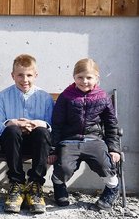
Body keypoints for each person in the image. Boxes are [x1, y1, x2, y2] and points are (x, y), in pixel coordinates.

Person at [50, 58, 121, 211]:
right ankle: (59, 185)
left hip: (94, 140)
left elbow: (111, 124)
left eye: (89, 77)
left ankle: (112, 188)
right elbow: (57, 124)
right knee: (64, 167)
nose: (84, 81)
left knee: (104, 164)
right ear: (74, 77)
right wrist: (53, 149)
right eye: (80, 77)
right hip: (69, 140)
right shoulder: (66, 96)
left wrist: (113, 148)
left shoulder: (102, 97)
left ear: (97, 78)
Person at [0, 54, 54, 214]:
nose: (25, 79)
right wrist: (13, 122)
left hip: (37, 143)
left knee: (42, 131)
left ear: (36, 75)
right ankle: (17, 185)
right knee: (12, 129)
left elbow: (51, 126)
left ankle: (35, 185)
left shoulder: (44, 97)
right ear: (12, 75)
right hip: (12, 143)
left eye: (29, 75)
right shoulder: (2, 96)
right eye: (20, 75)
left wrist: (38, 123)